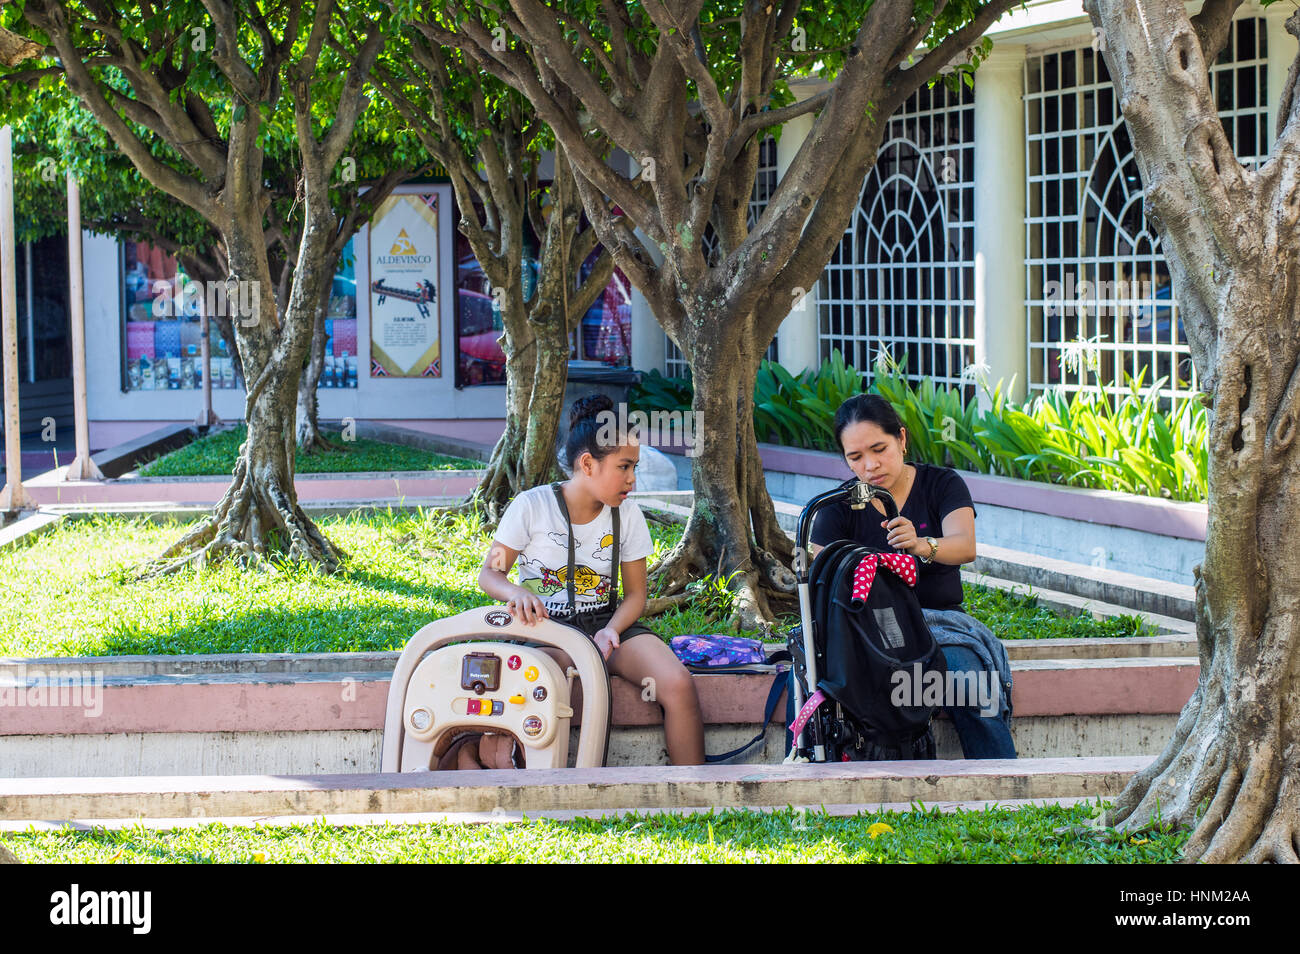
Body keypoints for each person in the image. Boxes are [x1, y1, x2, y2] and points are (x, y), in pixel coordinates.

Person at [478, 393, 706, 765]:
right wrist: (515, 592)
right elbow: (491, 573)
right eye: (624, 467)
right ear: (588, 463)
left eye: (635, 468)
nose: (632, 479)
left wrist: (612, 630)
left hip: (605, 624)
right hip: (547, 629)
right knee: (547, 686)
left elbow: (635, 595)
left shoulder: (628, 516)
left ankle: (696, 793)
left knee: (677, 684)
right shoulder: (531, 507)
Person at [808, 393, 1017, 759]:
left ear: (901, 439)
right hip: (869, 633)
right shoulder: (838, 506)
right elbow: (819, 572)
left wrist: (922, 546)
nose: (871, 465)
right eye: (855, 457)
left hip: (939, 624)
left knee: (971, 685)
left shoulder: (942, 484)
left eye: (879, 449)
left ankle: (1004, 783)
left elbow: (965, 546)